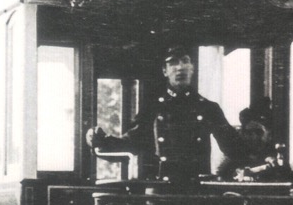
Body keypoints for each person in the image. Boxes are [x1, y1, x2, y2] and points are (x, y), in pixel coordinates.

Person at [86, 46, 245, 183]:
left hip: (196, 189)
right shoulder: (152, 108)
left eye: (185, 61)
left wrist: (264, 155)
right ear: (165, 71)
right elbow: (132, 142)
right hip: (159, 189)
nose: (180, 67)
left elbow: (234, 148)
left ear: (192, 68)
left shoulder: (209, 108)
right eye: (173, 62)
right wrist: (101, 141)